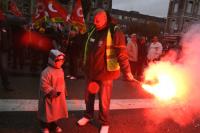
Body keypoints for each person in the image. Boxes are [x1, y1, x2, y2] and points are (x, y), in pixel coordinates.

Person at [77, 9, 135, 133]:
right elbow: (85, 46)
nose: (94, 22)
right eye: (93, 19)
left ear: (105, 19)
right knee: (88, 98)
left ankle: (104, 123)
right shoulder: (92, 29)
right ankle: (88, 116)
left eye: (97, 20)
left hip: (106, 73)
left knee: (104, 101)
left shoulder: (115, 31)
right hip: (90, 72)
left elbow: (122, 53)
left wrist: (127, 71)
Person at [38, 49, 68, 133]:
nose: (61, 62)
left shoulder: (61, 70)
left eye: (62, 60)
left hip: (59, 97)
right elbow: (44, 84)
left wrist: (65, 90)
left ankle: (54, 125)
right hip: (49, 97)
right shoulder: (46, 72)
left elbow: (62, 82)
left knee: (56, 112)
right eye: (58, 60)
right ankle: (44, 126)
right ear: (53, 60)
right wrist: (51, 91)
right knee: (47, 112)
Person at [0, 10, 13, 91]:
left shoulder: (4, 21)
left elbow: (10, 34)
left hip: (3, 48)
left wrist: (8, 45)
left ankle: (6, 85)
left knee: (4, 67)